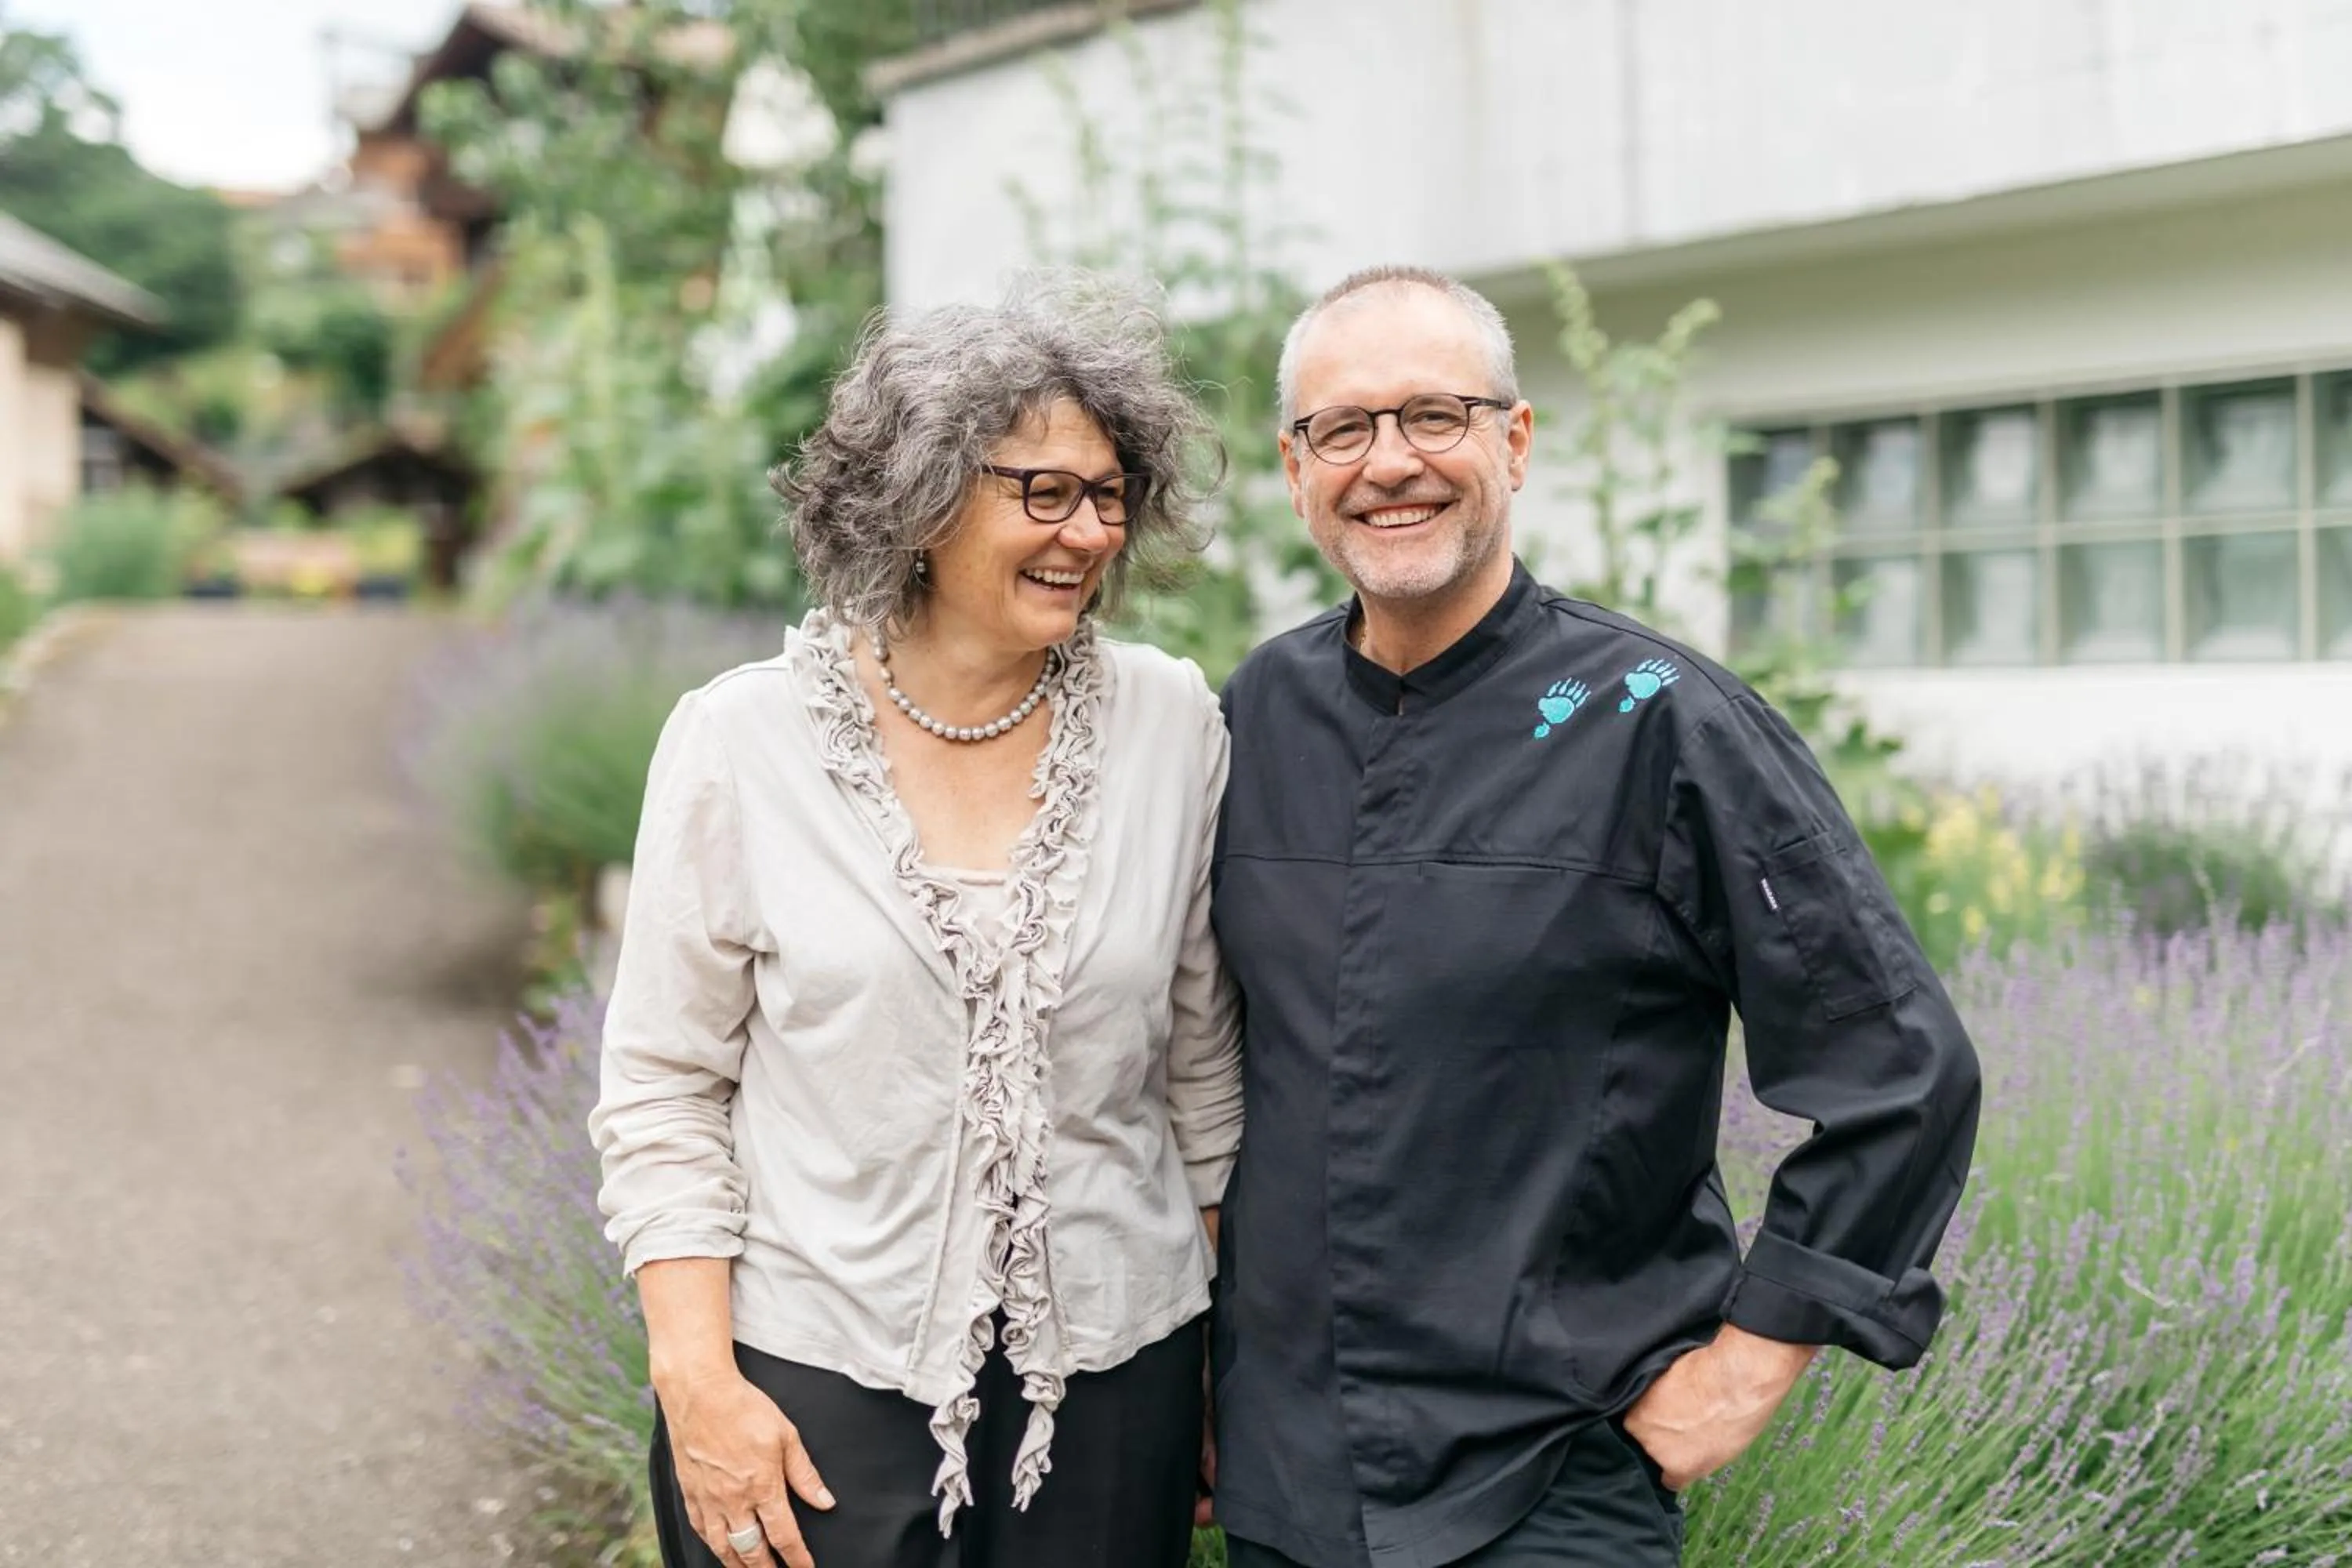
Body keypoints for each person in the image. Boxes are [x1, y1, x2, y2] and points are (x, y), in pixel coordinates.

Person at [1204, 265, 1984, 1568]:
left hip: (1549, 1489)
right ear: (1296, 471)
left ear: (1514, 441)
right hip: (1289, 1486)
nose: (1389, 462)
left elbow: (1901, 1068)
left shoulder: (1659, 718)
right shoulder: (1251, 716)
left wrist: (1743, 1371)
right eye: (1345, 429)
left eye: (1434, 417)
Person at [589, 275, 1241, 1568]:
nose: (1090, 532)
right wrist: (697, 1387)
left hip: (1116, 1383)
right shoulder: (743, 740)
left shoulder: (1175, 727)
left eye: (1109, 494)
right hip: (811, 1382)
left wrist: (1231, 1369)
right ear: (924, 498)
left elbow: (1203, 1080)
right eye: (1042, 492)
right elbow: (664, 1092)